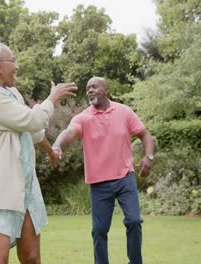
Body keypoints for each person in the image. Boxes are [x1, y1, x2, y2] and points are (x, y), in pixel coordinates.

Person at [0, 39, 77, 264]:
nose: (17, 66)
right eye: (13, 60)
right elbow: (33, 119)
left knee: (31, 258)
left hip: (26, 189)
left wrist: (50, 151)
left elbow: (33, 131)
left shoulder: (13, 93)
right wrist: (53, 98)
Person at [51, 77, 154, 264]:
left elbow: (145, 135)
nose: (89, 90)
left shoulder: (124, 112)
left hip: (125, 178)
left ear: (106, 90)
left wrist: (149, 157)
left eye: (94, 87)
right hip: (99, 183)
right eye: (87, 88)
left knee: (134, 221)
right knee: (99, 230)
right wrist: (57, 146)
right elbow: (69, 132)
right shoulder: (83, 117)